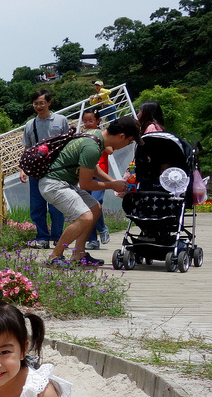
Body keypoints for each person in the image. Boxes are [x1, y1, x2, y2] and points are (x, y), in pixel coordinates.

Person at [41, 113, 140, 267]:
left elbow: (92, 168)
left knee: (95, 208)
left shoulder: (95, 135)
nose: (128, 145)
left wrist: (112, 180)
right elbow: (86, 184)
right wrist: (112, 185)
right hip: (54, 184)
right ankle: (54, 256)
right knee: (85, 216)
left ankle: (79, 254)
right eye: (129, 141)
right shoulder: (92, 147)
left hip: (64, 182)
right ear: (121, 136)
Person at [20, 90, 69, 249]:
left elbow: (68, 144)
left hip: (56, 169)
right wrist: (23, 169)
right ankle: (42, 237)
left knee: (56, 205)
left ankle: (58, 238)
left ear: (49, 102)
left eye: (41, 103)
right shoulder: (30, 124)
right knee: (37, 206)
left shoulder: (61, 120)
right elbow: (27, 148)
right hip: (36, 170)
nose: (38, 106)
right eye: (35, 104)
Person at [80, 109, 109, 248]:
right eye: (85, 121)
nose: (88, 124)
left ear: (98, 121)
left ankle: (102, 228)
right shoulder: (82, 135)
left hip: (100, 175)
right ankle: (92, 240)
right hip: (86, 174)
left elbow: (110, 150)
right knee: (87, 207)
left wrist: (100, 139)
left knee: (96, 203)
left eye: (91, 120)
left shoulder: (104, 134)